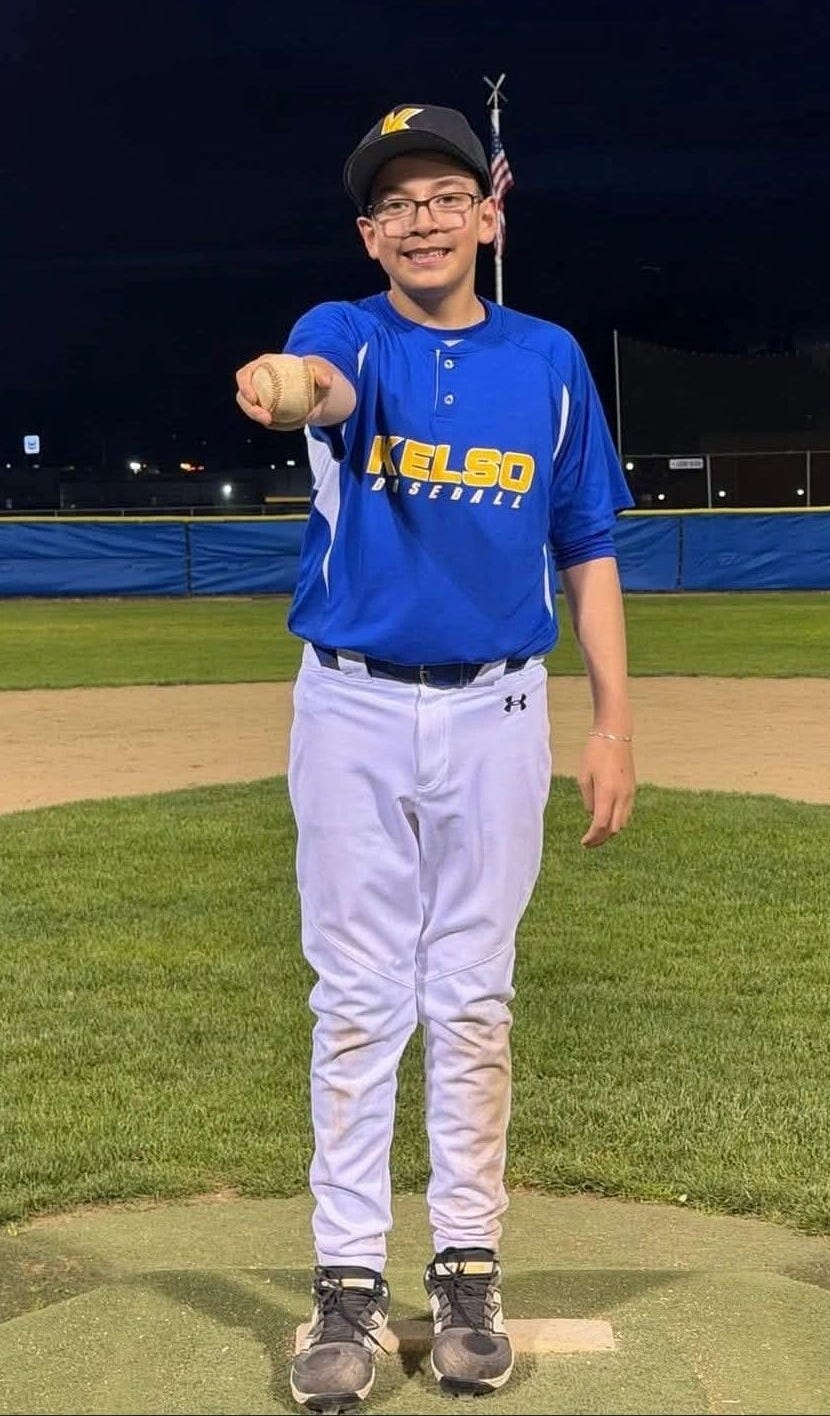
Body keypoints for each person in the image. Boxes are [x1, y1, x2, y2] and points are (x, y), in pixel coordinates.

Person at [236, 101, 636, 1415]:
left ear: (487, 215)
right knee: (357, 1001)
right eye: (393, 203)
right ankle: (346, 1288)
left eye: (441, 195)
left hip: (498, 713)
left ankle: (467, 1274)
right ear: (370, 232)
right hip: (350, 709)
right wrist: (279, 388)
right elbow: (319, 388)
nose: (420, 218)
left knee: (471, 998)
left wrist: (612, 721)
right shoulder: (343, 331)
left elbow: (586, 547)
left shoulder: (551, 360)